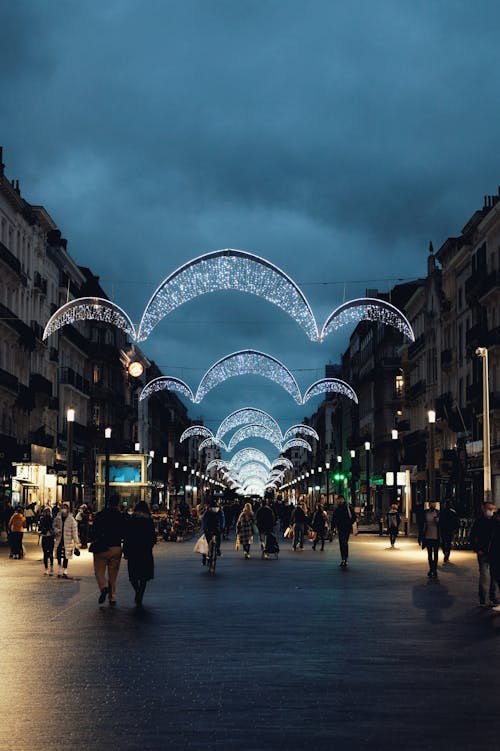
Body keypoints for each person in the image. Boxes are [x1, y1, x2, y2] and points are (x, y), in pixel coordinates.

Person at [91, 494, 127, 605]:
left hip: (101, 548)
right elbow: (124, 532)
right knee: (113, 574)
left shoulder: (101, 515)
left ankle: (103, 587)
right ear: (118, 503)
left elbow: (94, 530)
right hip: (116, 547)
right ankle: (112, 597)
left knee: (99, 572)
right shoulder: (120, 516)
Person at [123, 501, 156, 608]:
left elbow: (127, 536)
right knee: (143, 576)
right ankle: (140, 594)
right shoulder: (149, 521)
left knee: (133, 575)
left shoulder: (131, 520)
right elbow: (153, 538)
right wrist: (149, 546)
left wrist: (126, 551)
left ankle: (137, 591)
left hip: (133, 551)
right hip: (145, 551)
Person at [470, 502, 498, 607]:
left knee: (494, 576)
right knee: (484, 576)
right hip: (484, 552)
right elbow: (472, 536)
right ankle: (483, 598)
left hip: (494, 553)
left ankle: (493, 596)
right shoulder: (479, 522)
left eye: (493, 509)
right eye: (489, 509)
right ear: (484, 509)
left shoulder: (496, 522)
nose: (491, 511)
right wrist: (477, 549)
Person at [53, 503, 79, 578]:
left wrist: (76, 542)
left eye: (65, 508)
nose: (63, 509)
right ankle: (59, 568)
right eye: (62, 508)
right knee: (58, 554)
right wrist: (56, 530)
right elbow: (54, 526)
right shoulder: (58, 518)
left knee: (66, 555)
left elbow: (74, 531)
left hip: (67, 540)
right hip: (59, 539)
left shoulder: (71, 519)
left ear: (68, 509)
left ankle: (65, 570)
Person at [333, 496, 356, 567]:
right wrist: (350, 523)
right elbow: (354, 517)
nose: (338, 501)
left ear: (341, 500)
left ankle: (344, 558)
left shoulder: (338, 508)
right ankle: (345, 558)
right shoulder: (348, 507)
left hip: (341, 527)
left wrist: (333, 527)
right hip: (347, 527)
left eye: (339, 499)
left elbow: (334, 518)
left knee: (342, 542)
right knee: (345, 542)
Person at [421, 501, 440, 578]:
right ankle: (431, 568)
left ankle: (434, 569)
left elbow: (441, 525)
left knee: (435, 554)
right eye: (431, 504)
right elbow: (422, 524)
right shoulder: (425, 513)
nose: (432, 505)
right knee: (429, 554)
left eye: (434, 504)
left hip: (436, 536)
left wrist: (438, 522)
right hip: (428, 536)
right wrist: (421, 536)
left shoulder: (438, 513)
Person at [38, 506, 55, 575]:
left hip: (50, 537)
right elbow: (40, 527)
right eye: (45, 511)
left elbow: (54, 527)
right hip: (45, 537)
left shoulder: (52, 519)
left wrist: (52, 530)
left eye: (48, 511)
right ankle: (46, 568)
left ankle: (51, 566)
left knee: (50, 552)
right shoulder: (42, 519)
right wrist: (42, 530)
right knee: (45, 553)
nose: (46, 513)